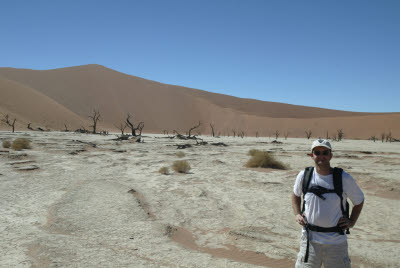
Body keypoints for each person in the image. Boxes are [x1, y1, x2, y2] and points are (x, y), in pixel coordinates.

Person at [291, 139, 364, 268]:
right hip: (310, 241)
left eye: (325, 152)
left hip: (336, 244)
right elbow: (295, 195)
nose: (321, 156)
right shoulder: (304, 175)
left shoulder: (343, 178)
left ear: (331, 155)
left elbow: (359, 201)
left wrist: (352, 221)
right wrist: (297, 214)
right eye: (317, 152)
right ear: (311, 155)